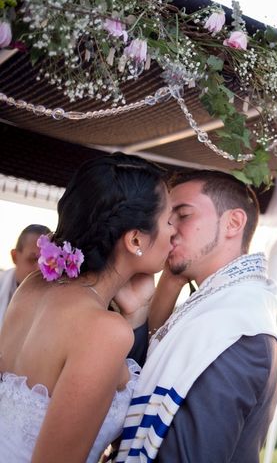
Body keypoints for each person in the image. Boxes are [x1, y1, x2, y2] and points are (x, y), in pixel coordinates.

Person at [0, 153, 175, 463]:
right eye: (169, 220)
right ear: (135, 239)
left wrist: (134, 309)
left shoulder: (35, 285)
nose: (175, 232)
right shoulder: (103, 330)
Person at [116, 170, 277, 463]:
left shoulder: (236, 328)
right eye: (168, 219)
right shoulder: (217, 305)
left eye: (183, 215)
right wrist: (138, 314)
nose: (168, 230)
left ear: (233, 222)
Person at [0, 224, 51, 328]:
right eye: (33, 259)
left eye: (47, 261)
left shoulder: (56, 298)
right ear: (14, 257)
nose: (40, 269)